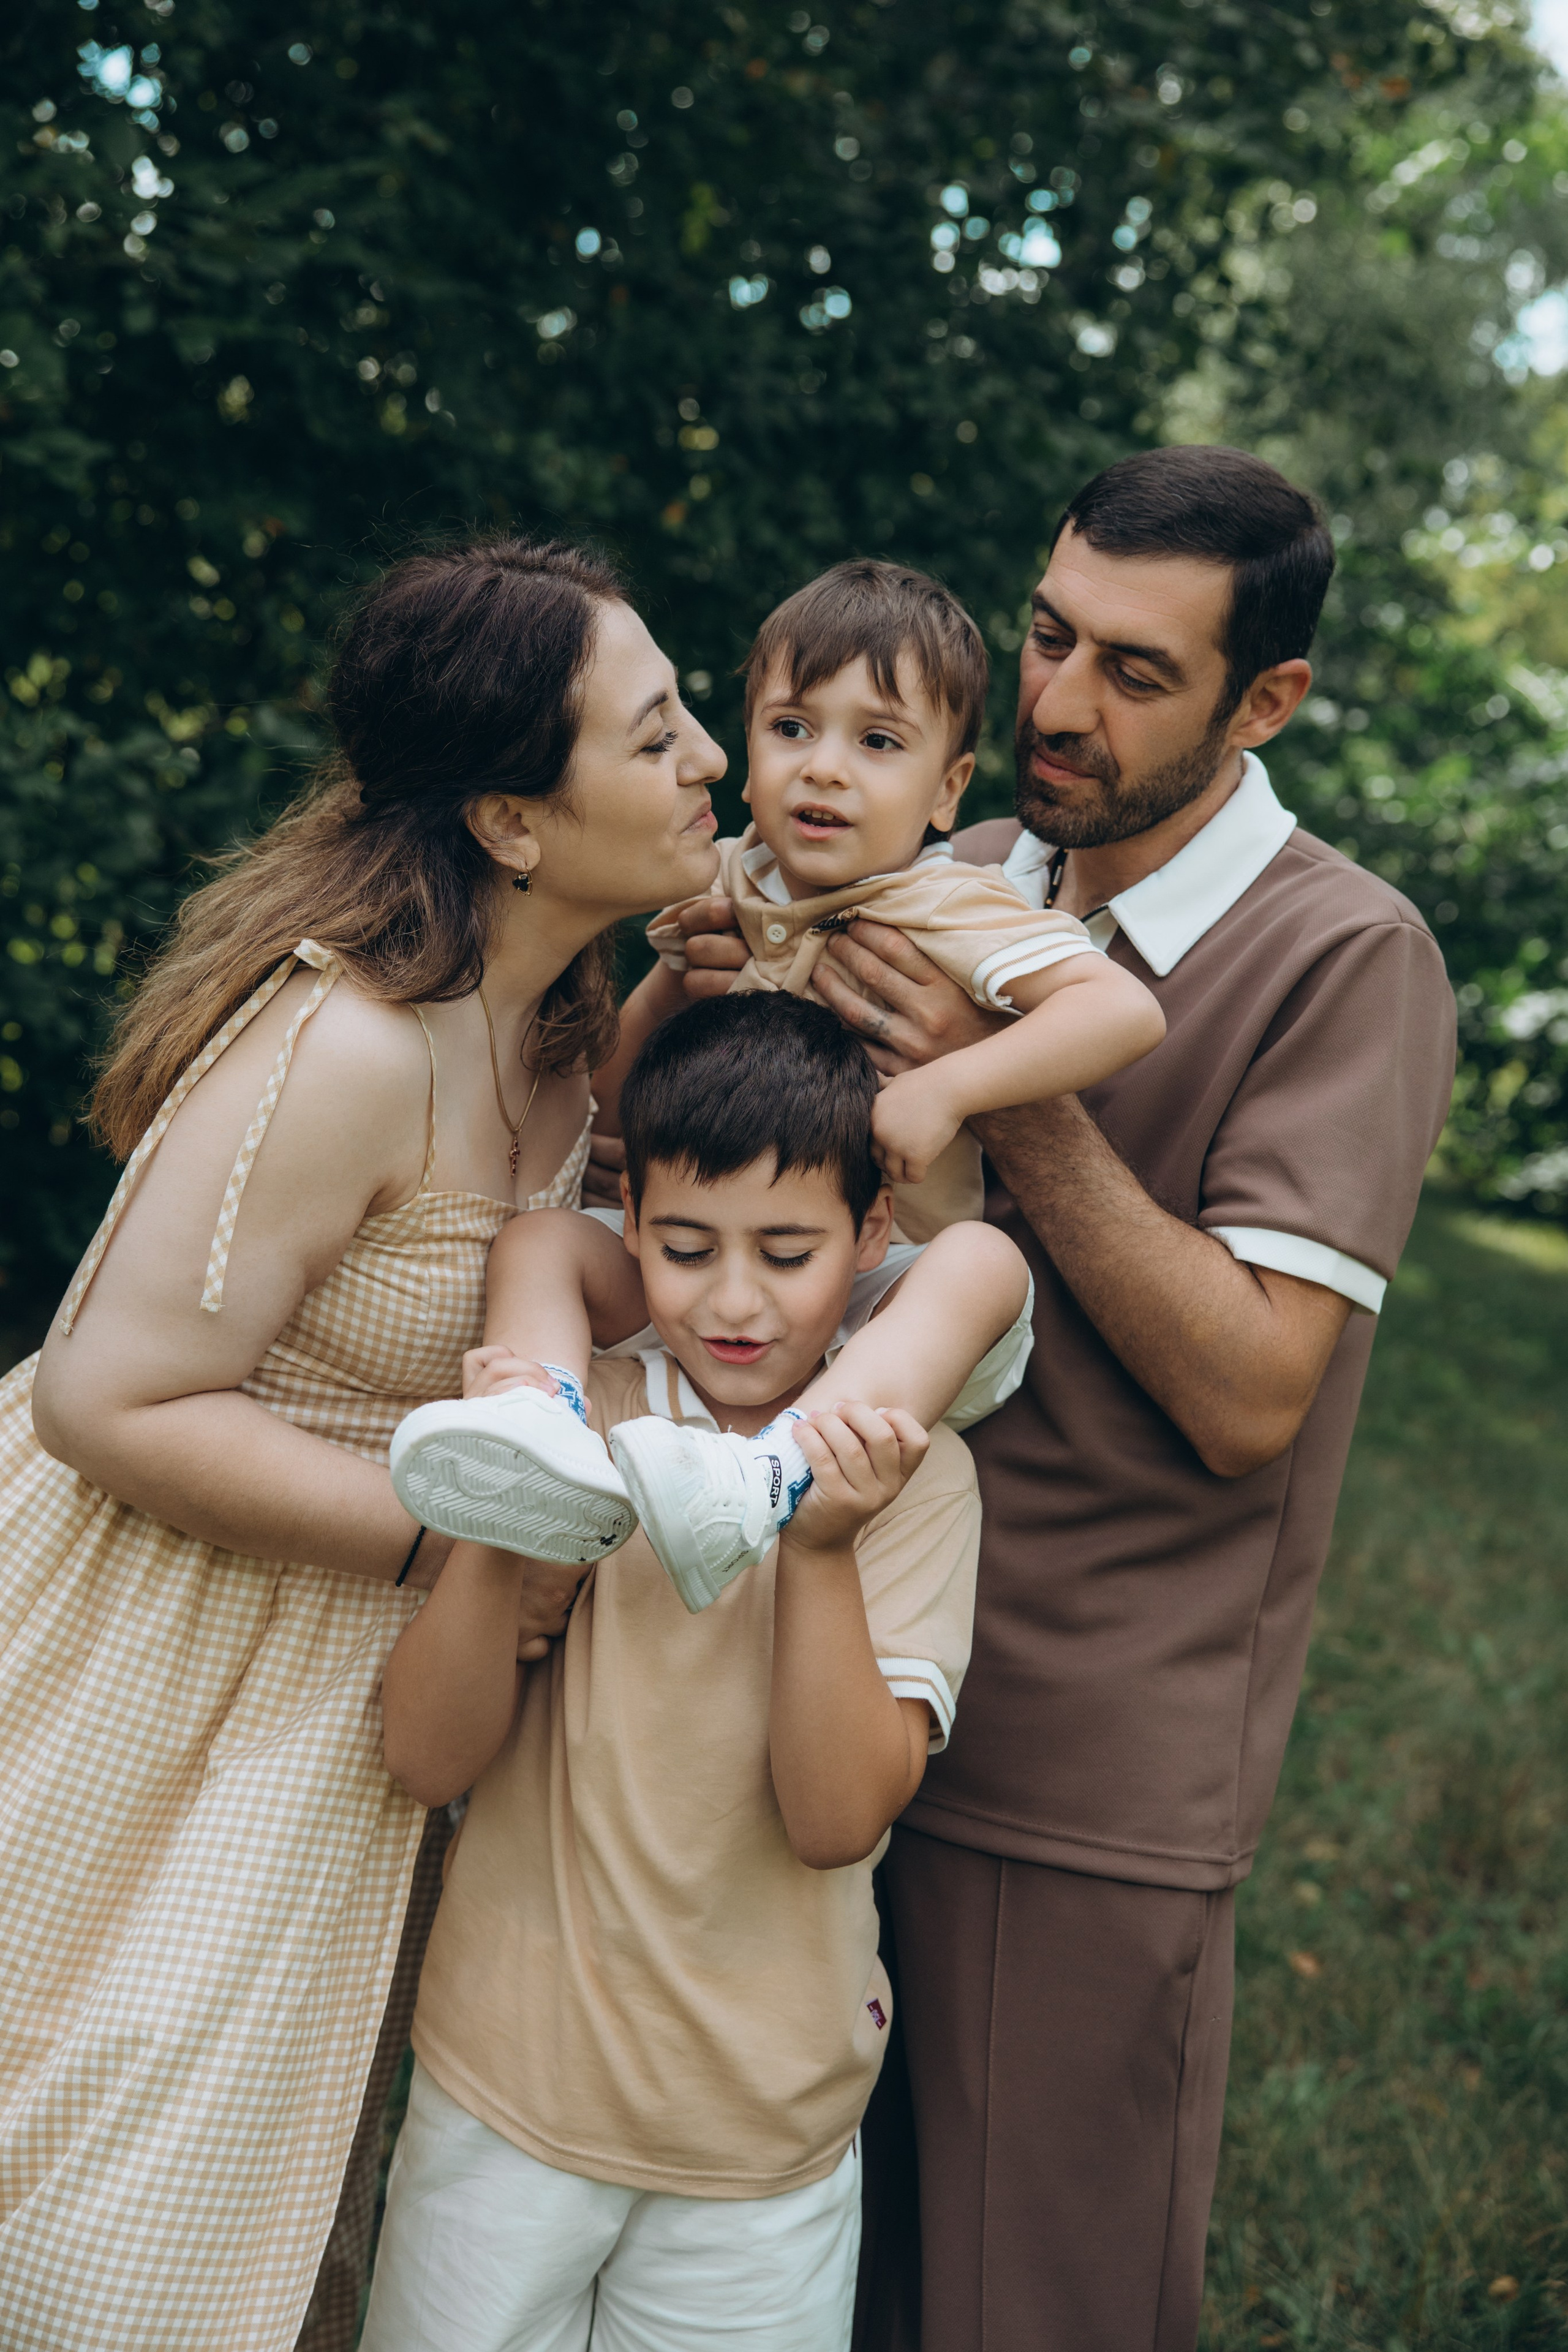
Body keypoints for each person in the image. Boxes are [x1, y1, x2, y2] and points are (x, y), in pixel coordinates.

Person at [643, 448, 1459, 2352]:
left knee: (1029, 2305)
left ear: (1270, 702)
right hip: (800, 1683)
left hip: (1077, 1760)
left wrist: (1013, 1093)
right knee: (792, 2283)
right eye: (1047, 637)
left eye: (1139, 672)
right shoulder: (949, 868)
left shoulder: (1349, 955)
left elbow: (1258, 1392)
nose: (1062, 708)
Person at [0, 537, 727, 2352]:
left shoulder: (563, 1030)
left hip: (354, 1678)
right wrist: (460, 1545)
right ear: (512, 821)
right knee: (95, 2202)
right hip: (153, 1636)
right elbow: (107, 1399)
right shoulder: (347, 1044)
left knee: (256, 2174)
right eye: (655, 738)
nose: (710, 755)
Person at [359, 993, 983, 2352]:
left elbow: (833, 1822)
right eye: (688, 1248)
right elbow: (423, 1758)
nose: (737, 1300)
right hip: (506, 2098)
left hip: (759, 2139)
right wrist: (502, 1518)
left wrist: (814, 1551)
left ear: (872, 1238)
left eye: (788, 1251)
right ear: (629, 1222)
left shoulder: (914, 1482)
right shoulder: (595, 1420)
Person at [387, 560, 1163, 1610]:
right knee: (543, 1240)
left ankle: (777, 1471)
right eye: (793, 729)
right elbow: (610, 1104)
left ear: (947, 790)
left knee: (984, 1265)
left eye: (879, 742)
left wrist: (950, 1088)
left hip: (878, 1311)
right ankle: (533, 1422)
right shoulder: (722, 882)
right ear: (745, 759)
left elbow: (1121, 1012)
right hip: (701, 1277)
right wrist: (667, 984)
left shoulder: (948, 906)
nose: (825, 771)